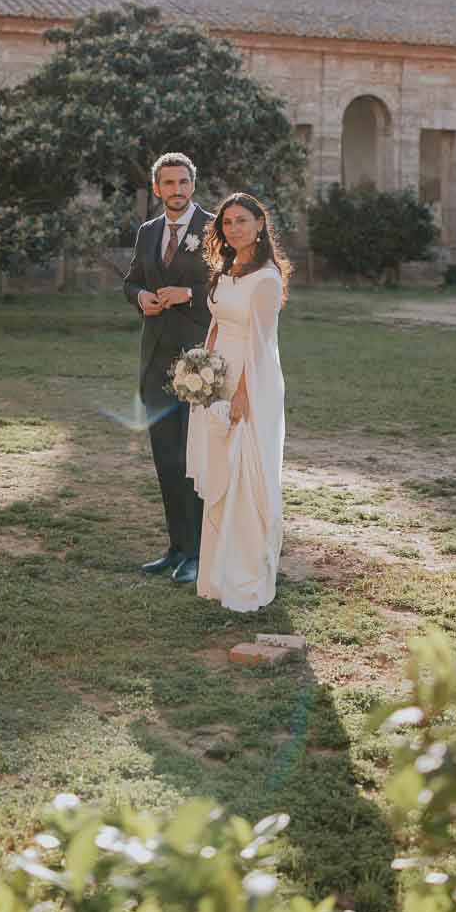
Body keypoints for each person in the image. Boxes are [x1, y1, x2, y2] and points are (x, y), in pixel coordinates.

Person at [186, 192, 289, 613]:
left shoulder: (266, 278)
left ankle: (245, 577)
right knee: (219, 472)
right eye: (227, 223)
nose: (234, 229)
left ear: (259, 224)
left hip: (251, 379)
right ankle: (216, 575)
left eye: (242, 221)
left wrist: (242, 395)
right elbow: (216, 322)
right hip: (217, 376)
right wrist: (199, 369)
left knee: (245, 474)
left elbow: (260, 345)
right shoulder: (225, 269)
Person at [123, 153, 214, 584]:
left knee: (195, 458)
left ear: (192, 185)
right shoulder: (147, 232)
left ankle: (199, 553)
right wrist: (141, 297)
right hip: (155, 360)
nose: (176, 191)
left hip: (200, 363)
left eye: (183, 182)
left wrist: (188, 295)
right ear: (156, 189)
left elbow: (225, 286)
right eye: (168, 184)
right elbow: (132, 280)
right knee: (166, 459)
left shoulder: (216, 228)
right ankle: (176, 548)